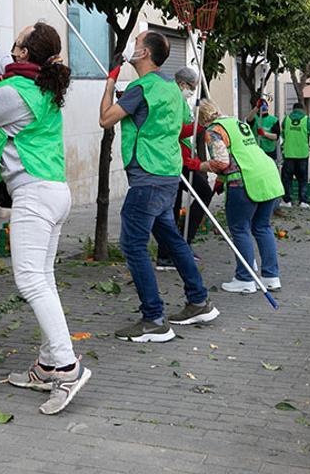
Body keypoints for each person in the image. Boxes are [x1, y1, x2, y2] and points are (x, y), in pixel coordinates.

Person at [0, 11, 91, 415]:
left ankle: (66, 366)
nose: (10, 46)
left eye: (17, 41)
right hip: (53, 191)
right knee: (43, 279)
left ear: (25, 52)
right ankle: (46, 366)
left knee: (30, 282)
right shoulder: (37, 82)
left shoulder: (13, 93)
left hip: (34, 195)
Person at [100, 29, 219, 342]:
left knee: (133, 244)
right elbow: (181, 125)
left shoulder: (140, 89)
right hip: (168, 174)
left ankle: (153, 318)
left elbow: (104, 119)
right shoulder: (170, 87)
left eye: (137, 43)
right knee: (170, 236)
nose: (132, 46)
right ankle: (198, 300)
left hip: (147, 177)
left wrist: (111, 81)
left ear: (145, 54)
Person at [200, 102, 285, 293]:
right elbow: (241, 152)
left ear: (203, 118)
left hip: (244, 181)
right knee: (262, 227)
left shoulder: (214, 130)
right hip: (267, 175)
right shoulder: (237, 123)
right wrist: (222, 179)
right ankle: (271, 277)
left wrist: (200, 165)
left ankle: (245, 279)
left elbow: (221, 162)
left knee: (240, 229)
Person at [155, 66, 213, 271]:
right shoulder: (174, 99)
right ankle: (170, 252)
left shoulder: (183, 102)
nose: (191, 91)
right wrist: (200, 125)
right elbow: (175, 130)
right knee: (180, 203)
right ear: (181, 84)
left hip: (182, 159)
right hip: (176, 161)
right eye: (190, 87)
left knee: (176, 205)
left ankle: (179, 246)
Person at [280, 102, 310, 206]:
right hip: (302, 155)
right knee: (302, 179)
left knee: (287, 179)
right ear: (303, 109)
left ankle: (287, 201)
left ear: (293, 109)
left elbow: (283, 135)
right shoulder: (308, 120)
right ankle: (303, 201)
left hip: (288, 154)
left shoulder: (286, 120)